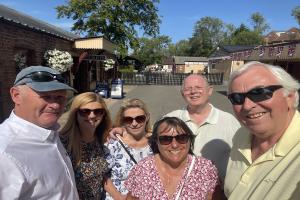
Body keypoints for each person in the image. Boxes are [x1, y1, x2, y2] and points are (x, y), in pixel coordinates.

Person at [0, 66, 79, 199]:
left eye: (60, 97)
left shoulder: (49, 130)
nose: (56, 105)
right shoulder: (5, 152)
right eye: (46, 96)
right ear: (16, 95)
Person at [224, 61, 300, 199]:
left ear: (290, 97)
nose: (247, 106)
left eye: (259, 92)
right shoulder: (242, 135)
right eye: (237, 98)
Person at [165, 74, 241, 183]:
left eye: (198, 87)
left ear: (210, 90)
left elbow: (240, 159)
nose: (193, 92)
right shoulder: (169, 119)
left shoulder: (229, 121)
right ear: (182, 94)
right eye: (188, 89)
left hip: (217, 192)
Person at [125, 117, 221, 200]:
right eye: (165, 139)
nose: (175, 145)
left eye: (181, 138)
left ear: (189, 140)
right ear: (156, 141)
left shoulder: (206, 169)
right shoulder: (142, 169)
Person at [60, 92, 112, 200]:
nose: (92, 115)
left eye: (98, 111)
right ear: (75, 114)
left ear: (103, 115)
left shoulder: (101, 138)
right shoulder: (62, 144)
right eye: (85, 111)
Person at [104, 98, 153, 199]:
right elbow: (103, 175)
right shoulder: (113, 144)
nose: (134, 123)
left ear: (147, 118)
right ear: (123, 120)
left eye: (139, 118)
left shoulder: (156, 144)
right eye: (129, 119)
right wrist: (120, 197)